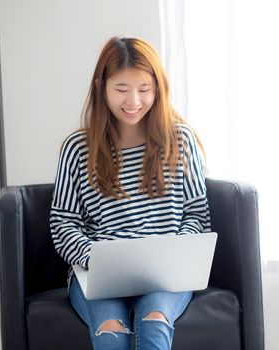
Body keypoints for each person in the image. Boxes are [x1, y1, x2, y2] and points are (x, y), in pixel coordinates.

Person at [50, 37, 211, 350]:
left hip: (167, 275)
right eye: (121, 89)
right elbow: (64, 223)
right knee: (111, 333)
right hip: (98, 272)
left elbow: (196, 214)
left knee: (154, 323)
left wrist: (173, 256)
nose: (133, 101)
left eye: (144, 89)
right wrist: (95, 259)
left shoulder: (180, 140)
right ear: (102, 87)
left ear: (158, 88)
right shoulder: (77, 149)